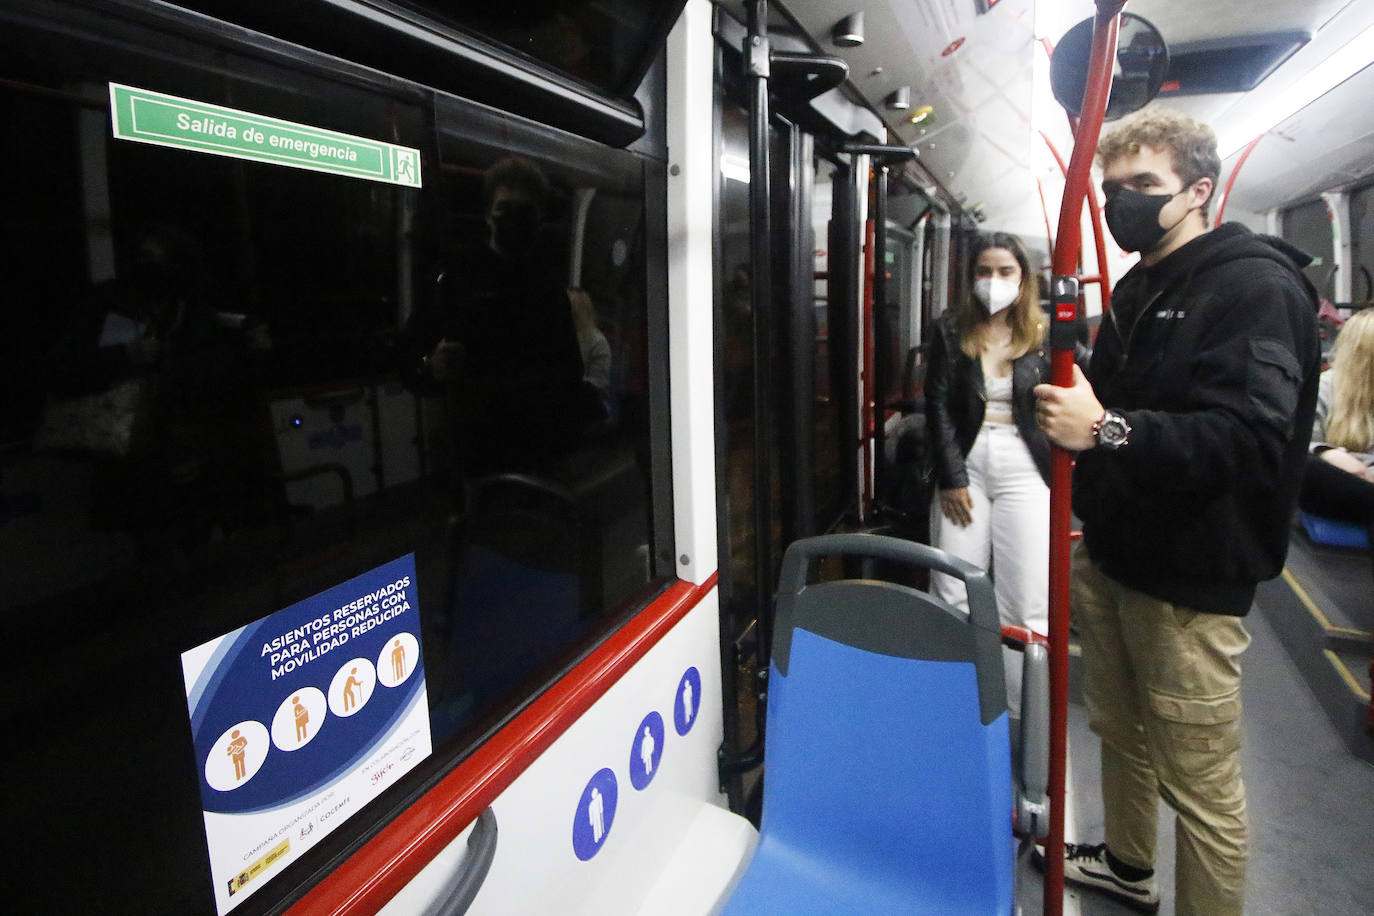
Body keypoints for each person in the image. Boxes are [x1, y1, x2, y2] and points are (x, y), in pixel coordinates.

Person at [1033, 109, 1321, 915]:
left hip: (1191, 580)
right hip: (1117, 551)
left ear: (1199, 191)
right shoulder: (1141, 282)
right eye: (1113, 188)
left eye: (1144, 187)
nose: (1124, 203)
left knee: (1202, 790)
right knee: (1119, 736)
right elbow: (1134, 397)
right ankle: (1128, 863)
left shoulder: (1255, 289)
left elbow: (1251, 442)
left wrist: (1105, 429)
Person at [924, 232, 1063, 715]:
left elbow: (1077, 392)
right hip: (968, 462)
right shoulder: (950, 329)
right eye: (984, 271)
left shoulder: (1046, 334)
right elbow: (938, 403)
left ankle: (1019, 714)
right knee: (951, 587)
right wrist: (951, 475)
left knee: (1024, 601)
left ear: (1023, 278)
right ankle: (953, 702)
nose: (993, 281)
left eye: (1005, 271)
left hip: (1026, 467)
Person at [407, 156, 590, 479]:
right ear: (488, 216)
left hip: (535, 455)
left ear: (540, 219)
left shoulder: (548, 290)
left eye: (525, 211)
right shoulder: (455, 279)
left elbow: (567, 375)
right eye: (504, 209)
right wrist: (430, 365)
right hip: (471, 455)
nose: (514, 220)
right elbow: (410, 358)